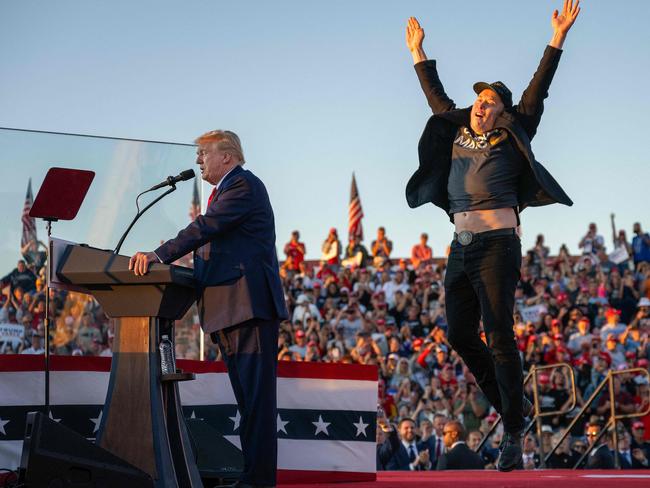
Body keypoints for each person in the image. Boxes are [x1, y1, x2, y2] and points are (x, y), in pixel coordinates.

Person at [404, 0, 580, 471]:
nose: (481, 104)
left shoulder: (514, 129)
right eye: (479, 98)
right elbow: (435, 98)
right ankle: (510, 410)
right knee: (460, 333)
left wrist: (557, 37)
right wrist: (419, 53)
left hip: (499, 245)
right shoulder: (458, 127)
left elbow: (538, 89)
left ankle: (514, 433)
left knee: (500, 334)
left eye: (491, 102)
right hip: (460, 248)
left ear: (502, 112)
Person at [129, 129, 288, 488]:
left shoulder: (243, 186)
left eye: (203, 153)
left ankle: (259, 481)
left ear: (227, 156)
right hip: (230, 309)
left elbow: (206, 227)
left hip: (248, 307)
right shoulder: (224, 192)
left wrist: (159, 255)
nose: (198, 160)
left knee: (256, 403)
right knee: (248, 402)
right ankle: (254, 478)